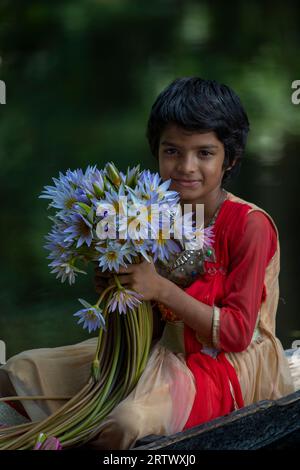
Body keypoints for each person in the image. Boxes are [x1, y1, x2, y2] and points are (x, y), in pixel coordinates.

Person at [0, 77, 295, 449]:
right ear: (156, 151)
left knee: (126, 421)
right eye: (172, 151)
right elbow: (152, 321)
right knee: (19, 371)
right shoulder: (152, 216)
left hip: (225, 368)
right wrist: (119, 291)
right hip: (159, 351)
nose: (186, 167)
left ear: (230, 159)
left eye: (204, 153)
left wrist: (160, 288)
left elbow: (236, 335)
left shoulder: (250, 225)